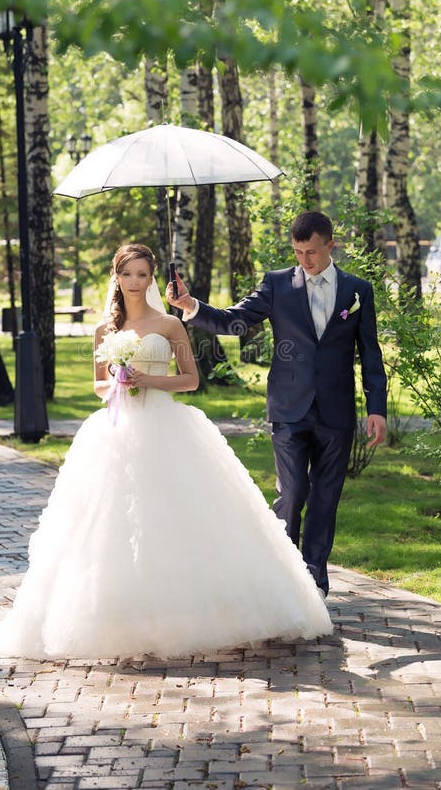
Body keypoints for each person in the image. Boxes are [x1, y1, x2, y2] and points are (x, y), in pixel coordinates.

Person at [0, 243, 331, 661]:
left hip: (165, 427)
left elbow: (189, 380)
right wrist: (117, 381)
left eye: (142, 274)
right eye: (128, 274)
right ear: (116, 277)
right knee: (111, 525)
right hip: (116, 432)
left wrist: (147, 381)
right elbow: (98, 386)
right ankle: (123, 618)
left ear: (152, 279)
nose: (135, 282)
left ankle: (196, 612)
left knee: (176, 518)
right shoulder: (104, 331)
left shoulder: (170, 325)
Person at [166, 211, 387, 599]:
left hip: (336, 412)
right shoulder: (277, 285)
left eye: (312, 252)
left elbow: (370, 353)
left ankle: (314, 579)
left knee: (324, 497)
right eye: (299, 252)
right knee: (294, 490)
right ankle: (286, 573)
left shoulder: (358, 290)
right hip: (289, 408)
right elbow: (234, 321)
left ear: (330, 245)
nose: (305, 260)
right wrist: (192, 305)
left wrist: (376, 408)